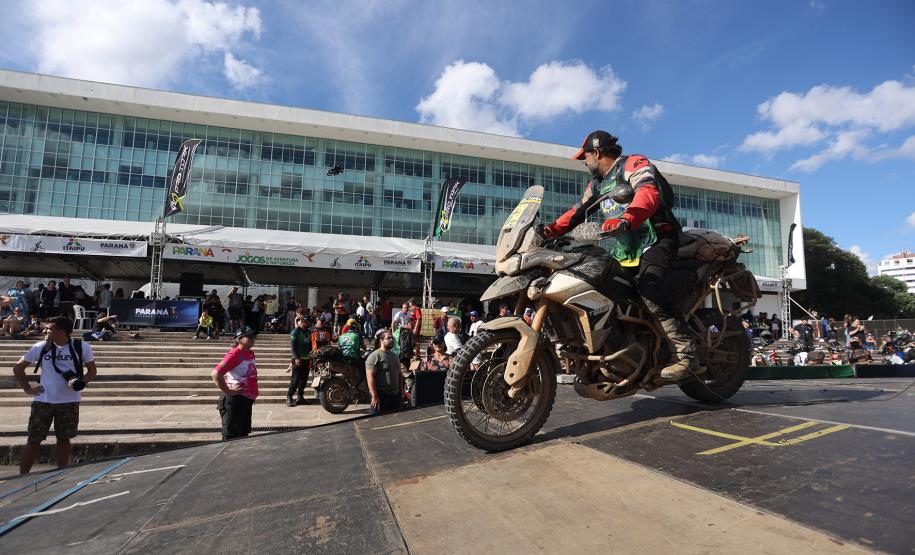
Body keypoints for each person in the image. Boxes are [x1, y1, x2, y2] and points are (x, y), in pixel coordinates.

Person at [542, 130, 693, 379]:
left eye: (586, 157)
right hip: (625, 249)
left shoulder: (634, 164)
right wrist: (550, 230)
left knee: (649, 288)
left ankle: (685, 353)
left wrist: (628, 217)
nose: (585, 163)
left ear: (597, 153)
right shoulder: (597, 185)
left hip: (656, 238)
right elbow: (577, 211)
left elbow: (648, 193)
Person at [12, 316, 97, 473]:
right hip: (43, 401)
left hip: (69, 401)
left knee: (64, 440)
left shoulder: (81, 347)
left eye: (49, 329)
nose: (45, 331)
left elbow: (92, 370)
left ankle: (61, 473)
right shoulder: (41, 346)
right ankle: (22, 476)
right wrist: (27, 389)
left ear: (60, 332)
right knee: (34, 440)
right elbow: (18, 368)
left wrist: (82, 382)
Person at [212, 326, 259, 440]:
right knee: (231, 436)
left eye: (254, 336)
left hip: (246, 400)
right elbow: (216, 374)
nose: (253, 338)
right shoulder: (234, 354)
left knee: (243, 433)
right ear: (239, 339)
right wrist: (228, 391)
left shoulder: (250, 353)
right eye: (249, 336)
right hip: (235, 400)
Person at [364, 329, 402, 415]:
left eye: (392, 338)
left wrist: (400, 392)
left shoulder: (395, 356)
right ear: (381, 340)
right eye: (388, 338)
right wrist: (374, 396)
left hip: (395, 396)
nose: (391, 340)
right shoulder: (375, 356)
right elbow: (370, 377)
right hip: (381, 396)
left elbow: (399, 375)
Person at [287, 315, 311, 406]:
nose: (305, 323)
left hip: (307, 359)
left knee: (304, 380)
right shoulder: (295, 332)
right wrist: (296, 357)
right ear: (300, 322)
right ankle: (289, 396)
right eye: (304, 322)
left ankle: (300, 397)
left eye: (307, 322)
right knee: (295, 379)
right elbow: (292, 346)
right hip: (297, 359)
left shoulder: (309, 331)